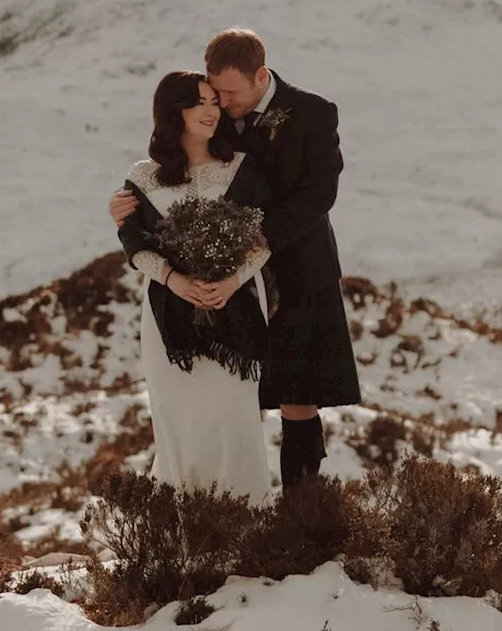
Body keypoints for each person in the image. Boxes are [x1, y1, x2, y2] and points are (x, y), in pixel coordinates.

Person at [111, 28, 361, 488]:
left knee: (298, 395)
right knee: (223, 400)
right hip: (229, 282)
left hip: (298, 270)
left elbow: (320, 192)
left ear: (260, 76)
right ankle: (217, 502)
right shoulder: (216, 110)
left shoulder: (313, 113)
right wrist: (126, 207)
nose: (219, 104)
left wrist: (256, 239)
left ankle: (302, 512)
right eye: (213, 92)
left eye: (227, 92)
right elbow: (177, 167)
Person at [115, 70, 274, 503]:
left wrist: (231, 282)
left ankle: (247, 519)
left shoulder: (241, 168)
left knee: (232, 415)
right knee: (179, 416)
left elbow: (263, 240)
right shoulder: (143, 178)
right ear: (174, 112)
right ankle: (183, 527)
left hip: (236, 305)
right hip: (169, 313)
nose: (210, 110)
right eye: (198, 102)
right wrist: (176, 280)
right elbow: (133, 244)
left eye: (213, 102)